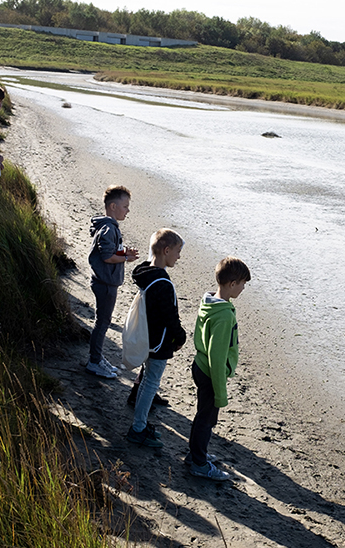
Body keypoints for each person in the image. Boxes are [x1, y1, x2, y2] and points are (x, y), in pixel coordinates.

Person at [187, 257, 251, 481]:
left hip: (199, 365)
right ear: (232, 283)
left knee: (202, 416)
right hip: (210, 373)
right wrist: (221, 393)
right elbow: (217, 356)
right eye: (243, 283)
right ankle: (199, 463)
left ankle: (196, 454)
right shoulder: (223, 316)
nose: (244, 288)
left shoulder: (210, 302)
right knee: (206, 419)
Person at [125, 229, 185, 447]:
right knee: (151, 383)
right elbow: (170, 317)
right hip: (159, 341)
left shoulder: (146, 273)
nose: (179, 256)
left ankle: (139, 424)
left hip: (147, 337)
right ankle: (138, 428)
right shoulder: (162, 283)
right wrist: (180, 338)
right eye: (177, 251)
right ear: (167, 250)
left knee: (146, 379)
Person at [86, 186, 138, 378]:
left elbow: (110, 253)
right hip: (105, 283)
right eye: (125, 206)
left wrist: (124, 254)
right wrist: (124, 259)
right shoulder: (109, 228)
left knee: (103, 320)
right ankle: (94, 361)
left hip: (105, 281)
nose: (128, 210)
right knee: (103, 322)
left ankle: (97, 357)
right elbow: (107, 256)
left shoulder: (108, 226)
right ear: (113, 206)